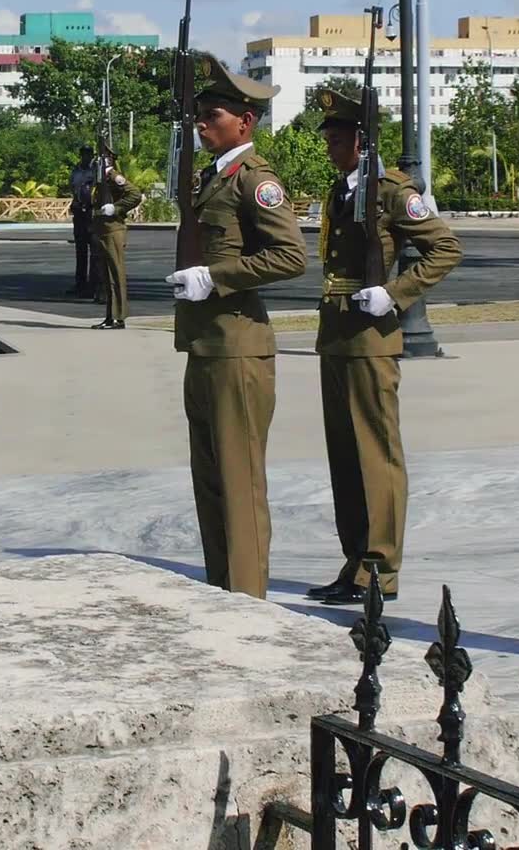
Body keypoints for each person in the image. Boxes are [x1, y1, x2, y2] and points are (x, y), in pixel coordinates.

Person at [305, 87, 462, 606]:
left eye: (338, 135)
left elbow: (444, 248)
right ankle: (355, 561)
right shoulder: (342, 190)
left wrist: (395, 294)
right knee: (345, 457)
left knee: (376, 454)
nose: (329, 143)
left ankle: (381, 566)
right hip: (338, 332)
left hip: (372, 336)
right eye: (328, 134)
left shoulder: (393, 190)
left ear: (361, 139)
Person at [165, 53, 307, 598]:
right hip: (205, 345)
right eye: (200, 114)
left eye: (213, 114)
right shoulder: (213, 178)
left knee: (240, 484)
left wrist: (216, 277)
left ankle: (248, 602)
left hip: (239, 348)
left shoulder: (255, 181)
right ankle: (223, 590)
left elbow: (290, 256)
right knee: (212, 484)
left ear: (244, 122)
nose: (202, 123)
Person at [91, 157, 143, 329]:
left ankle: (118, 317)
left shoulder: (114, 177)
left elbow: (135, 194)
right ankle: (110, 316)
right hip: (102, 230)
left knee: (116, 273)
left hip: (113, 230)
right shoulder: (101, 180)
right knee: (106, 275)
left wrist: (117, 208)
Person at [68, 145, 99, 298]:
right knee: (80, 251)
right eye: (84, 154)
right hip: (79, 211)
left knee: (94, 251)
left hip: (91, 212)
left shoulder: (96, 170)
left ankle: (93, 285)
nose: (86, 157)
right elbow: (73, 187)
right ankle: (80, 283)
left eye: (89, 154)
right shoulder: (76, 170)